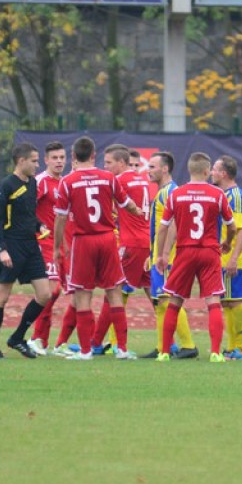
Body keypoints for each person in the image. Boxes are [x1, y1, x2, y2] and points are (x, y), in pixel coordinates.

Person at [52, 136, 142, 360]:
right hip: (107, 239)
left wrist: (57, 248)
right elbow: (127, 204)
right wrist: (139, 212)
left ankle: (85, 351)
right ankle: (121, 349)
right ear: (94, 155)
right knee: (114, 292)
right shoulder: (109, 178)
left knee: (83, 295)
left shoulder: (67, 182)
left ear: (73, 156)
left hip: (83, 240)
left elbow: (60, 219)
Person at [154, 152, 241, 363]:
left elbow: (163, 228)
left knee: (174, 301)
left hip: (185, 252)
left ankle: (164, 352)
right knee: (213, 302)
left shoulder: (177, 194)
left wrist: (161, 255)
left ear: (190, 170)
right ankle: (215, 353)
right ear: (205, 171)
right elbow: (232, 226)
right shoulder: (217, 194)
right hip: (209, 252)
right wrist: (228, 242)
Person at [0, 143, 53, 359]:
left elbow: (28, 215)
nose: (37, 164)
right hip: (12, 246)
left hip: (31, 246)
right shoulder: (7, 185)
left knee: (45, 294)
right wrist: (2, 249)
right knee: (2, 297)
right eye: (34, 161)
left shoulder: (32, 183)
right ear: (21, 161)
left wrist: (39, 225)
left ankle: (17, 338)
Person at [87, 145, 153, 354]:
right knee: (155, 294)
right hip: (146, 243)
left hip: (131, 244)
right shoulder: (141, 179)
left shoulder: (119, 180)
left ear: (121, 163)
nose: (105, 167)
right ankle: (173, 342)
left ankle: (97, 343)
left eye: (108, 163)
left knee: (113, 294)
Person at [144, 151, 198, 359]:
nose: (148, 171)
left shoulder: (171, 192)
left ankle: (188, 345)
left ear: (164, 169)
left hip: (169, 258)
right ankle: (163, 346)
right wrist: (152, 252)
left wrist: (165, 254)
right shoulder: (163, 191)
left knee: (168, 299)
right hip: (158, 256)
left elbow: (175, 225)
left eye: (152, 167)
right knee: (159, 302)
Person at [26, 141, 67, 356]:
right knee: (52, 290)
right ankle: (35, 338)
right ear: (46, 160)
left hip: (62, 244)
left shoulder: (65, 183)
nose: (59, 161)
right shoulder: (40, 181)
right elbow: (27, 208)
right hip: (45, 243)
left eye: (62, 157)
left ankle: (47, 341)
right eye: (55, 158)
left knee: (69, 292)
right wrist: (36, 231)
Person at [211, 155, 242, 359]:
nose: (211, 172)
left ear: (224, 174)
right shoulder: (224, 194)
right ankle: (232, 345)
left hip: (231, 257)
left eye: (214, 169)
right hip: (224, 257)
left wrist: (235, 258)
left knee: (235, 301)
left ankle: (241, 347)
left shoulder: (234, 196)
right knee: (226, 302)